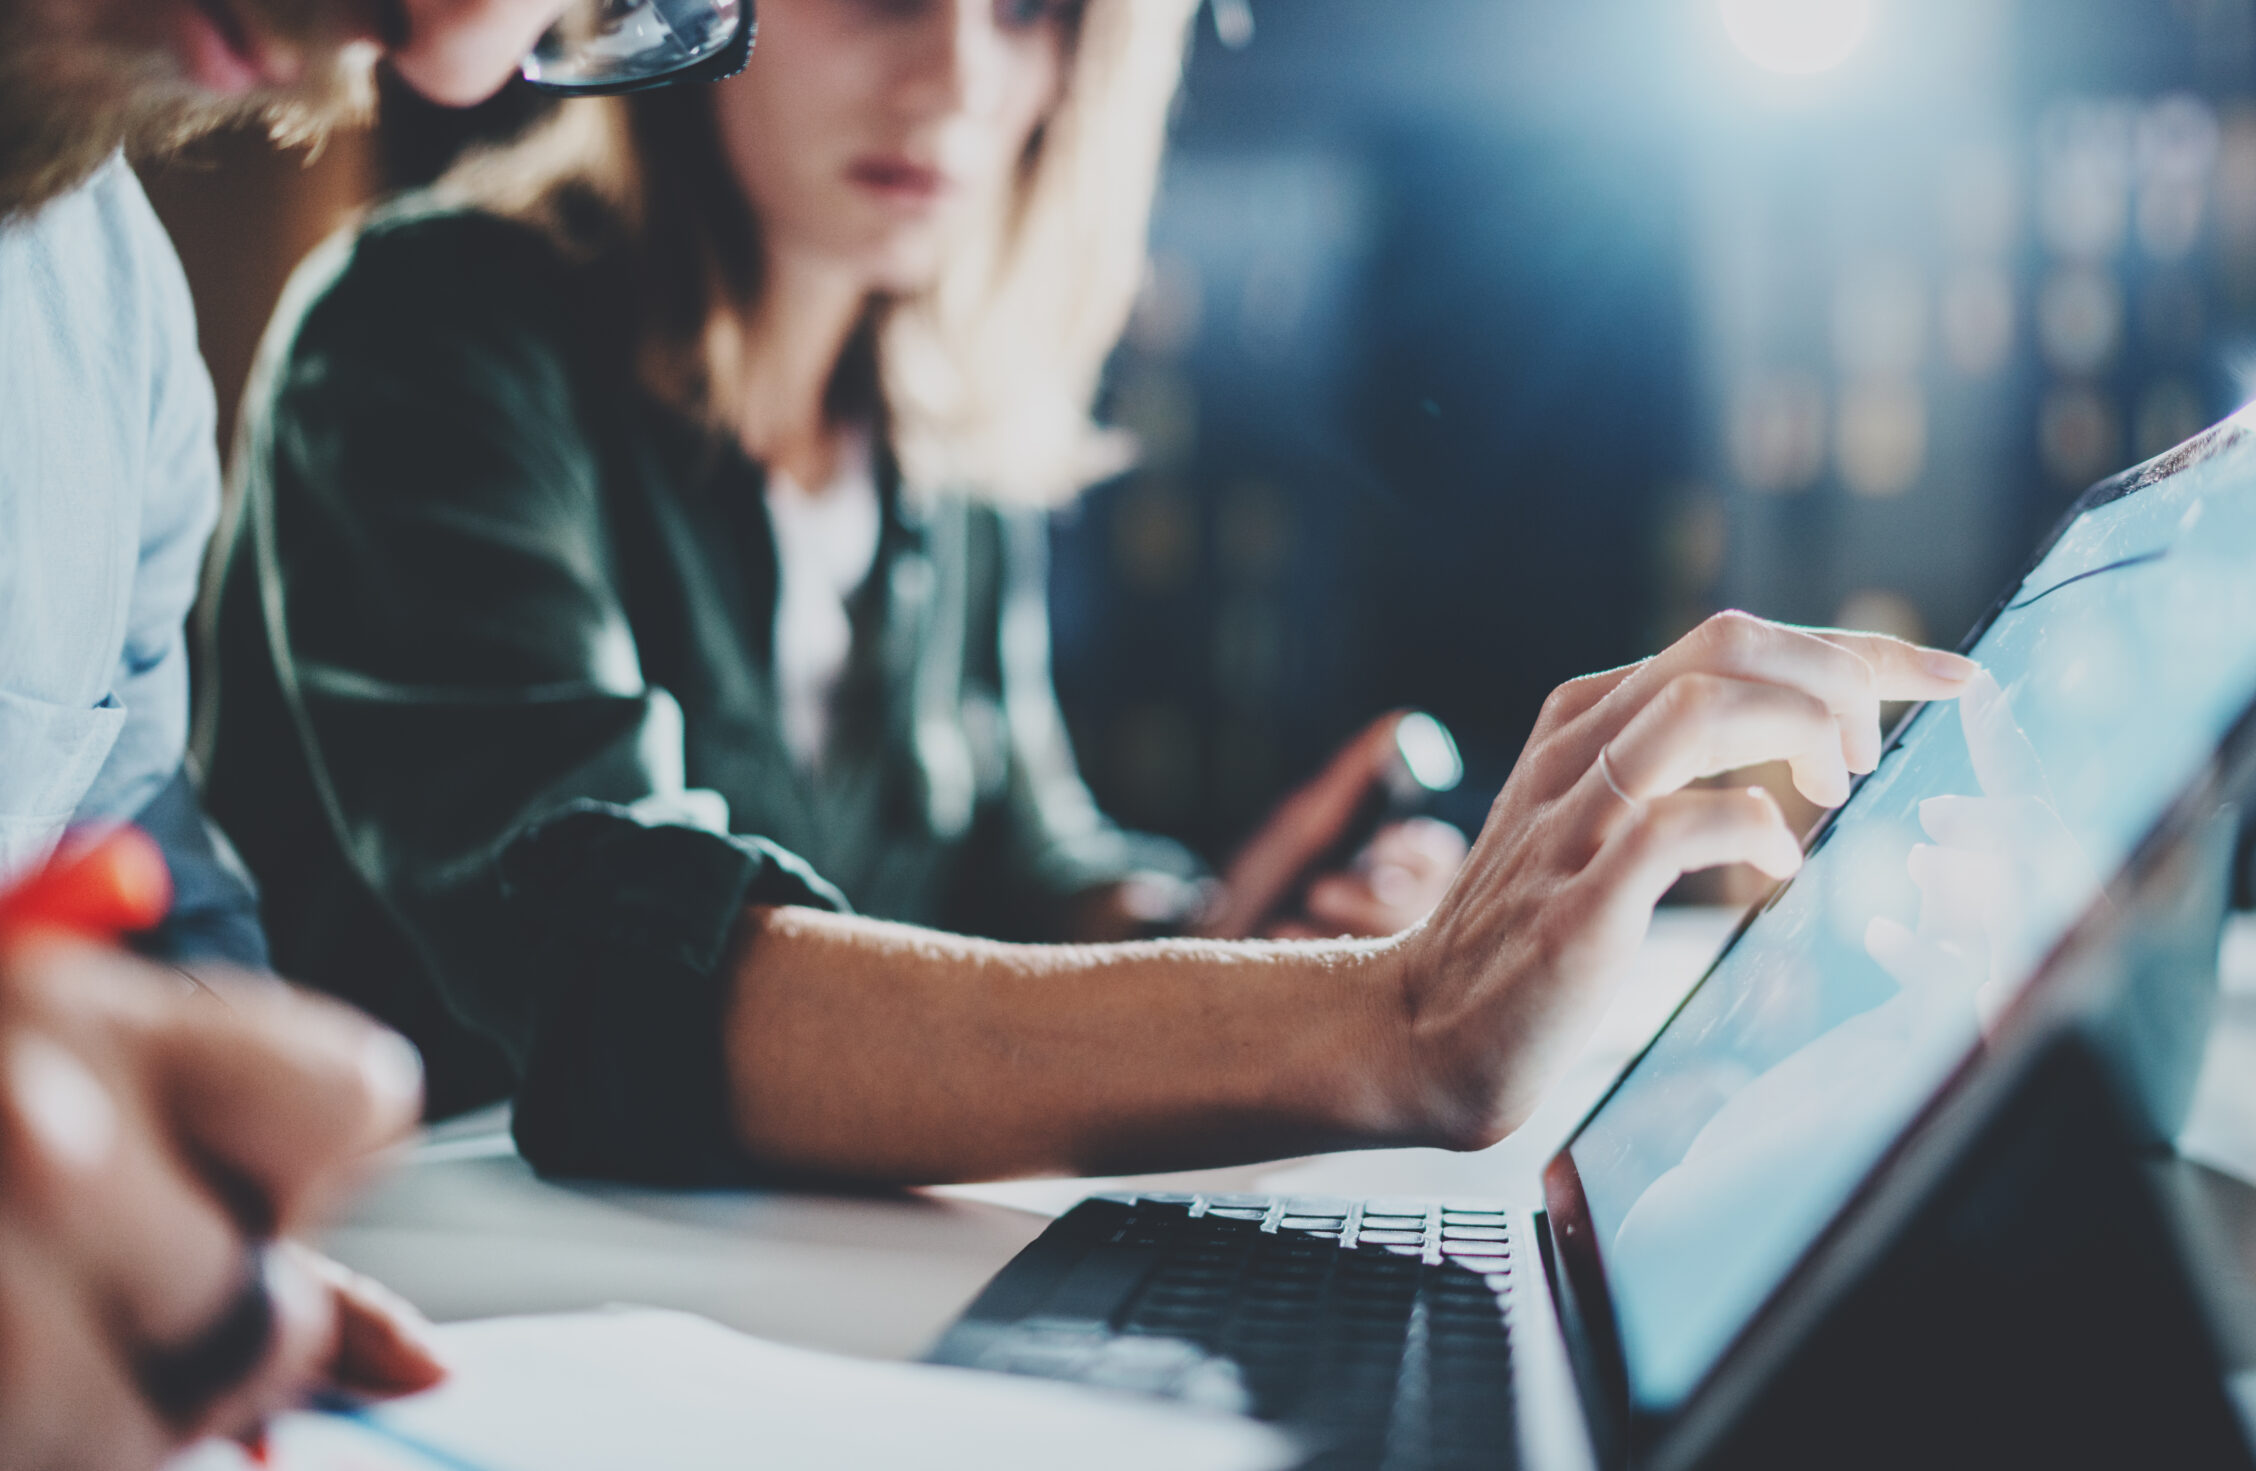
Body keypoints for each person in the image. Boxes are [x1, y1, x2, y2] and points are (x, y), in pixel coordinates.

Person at [206, 0, 1982, 1189]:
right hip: (419, 1329)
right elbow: (607, 970)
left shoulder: (925, 442)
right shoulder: (424, 336)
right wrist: (1387, 1015)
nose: (965, 78)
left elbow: (1016, 864)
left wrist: (1229, 929)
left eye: (1035, 7)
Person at [0, 0, 734, 1459]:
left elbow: (139, 855)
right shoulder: (425, 335)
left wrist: (199, 1224)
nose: (454, 52)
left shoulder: (114, 317)